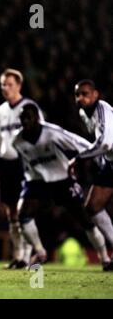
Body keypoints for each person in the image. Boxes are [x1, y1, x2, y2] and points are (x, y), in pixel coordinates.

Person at [13, 104, 109, 269]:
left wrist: (98, 158)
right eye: (23, 118)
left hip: (62, 180)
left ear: (37, 118)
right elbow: (26, 163)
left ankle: (105, 258)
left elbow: (78, 142)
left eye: (29, 117)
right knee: (22, 215)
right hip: (38, 182)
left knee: (85, 220)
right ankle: (40, 252)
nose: (25, 121)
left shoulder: (52, 133)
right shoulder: (17, 141)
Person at [0, 69, 43, 269]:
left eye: (9, 84)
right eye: (3, 84)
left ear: (19, 86)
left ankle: (27, 255)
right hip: (6, 164)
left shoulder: (30, 107)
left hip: (24, 163)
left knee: (24, 211)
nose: (5, 88)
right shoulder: (0, 110)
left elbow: (42, 134)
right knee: (11, 212)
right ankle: (18, 255)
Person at [71, 80, 113, 271]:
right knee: (92, 207)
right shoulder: (83, 114)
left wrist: (78, 158)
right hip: (110, 164)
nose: (81, 98)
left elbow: (105, 143)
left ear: (96, 95)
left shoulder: (103, 110)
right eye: (78, 95)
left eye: (85, 94)